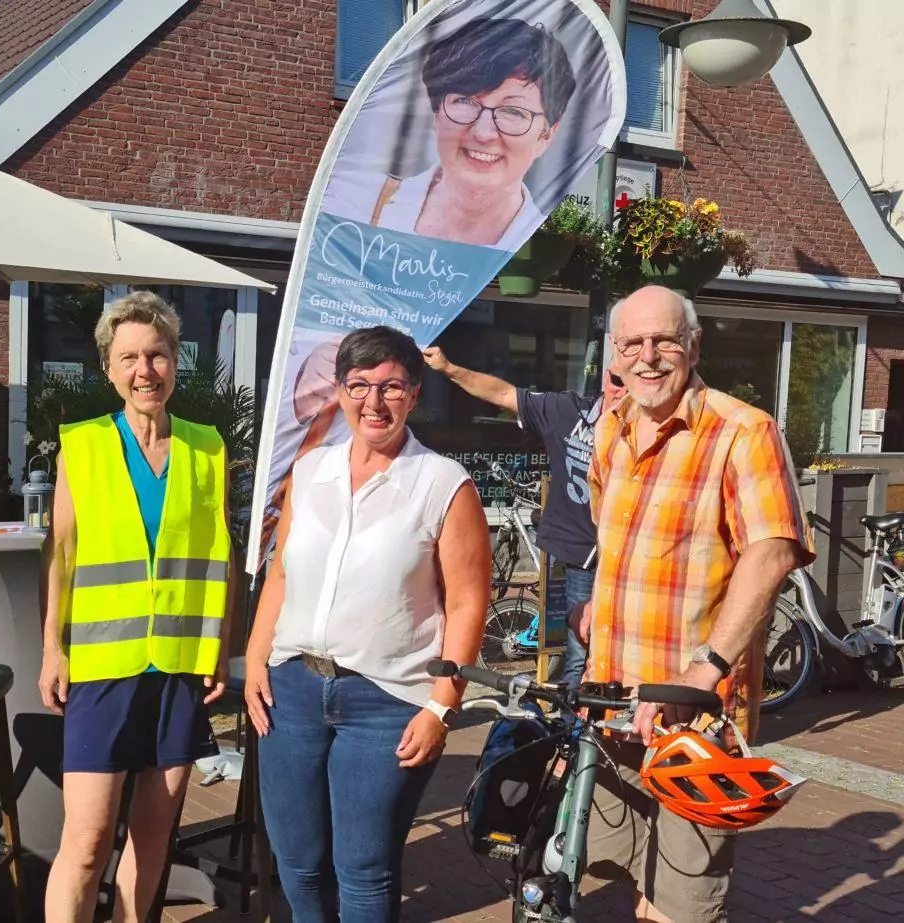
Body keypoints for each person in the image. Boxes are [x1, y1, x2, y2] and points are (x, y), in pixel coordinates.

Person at [573, 285, 812, 923]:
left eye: (664, 341)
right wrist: (599, 603)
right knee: (630, 872)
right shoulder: (613, 428)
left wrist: (701, 671)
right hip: (616, 701)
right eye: (632, 344)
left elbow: (773, 553)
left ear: (694, 346)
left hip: (693, 718)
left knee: (683, 898)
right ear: (614, 356)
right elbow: (616, 537)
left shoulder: (743, 431)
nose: (648, 357)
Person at [244, 325, 491, 922]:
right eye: (359, 385)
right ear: (340, 390)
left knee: (363, 868)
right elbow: (280, 574)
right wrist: (255, 657)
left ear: (413, 394)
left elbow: (467, 603)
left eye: (391, 387)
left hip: (386, 702)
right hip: (292, 690)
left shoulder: (442, 484)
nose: (373, 402)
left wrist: (441, 707)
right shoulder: (310, 471)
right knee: (297, 861)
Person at [38, 291, 234, 923]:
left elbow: (222, 555)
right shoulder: (84, 446)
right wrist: (52, 649)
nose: (144, 370)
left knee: (153, 837)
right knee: (87, 840)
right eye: (129, 358)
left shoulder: (208, 447)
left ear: (177, 362)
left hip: (179, 665)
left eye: (157, 355)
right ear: (108, 369)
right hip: (101, 665)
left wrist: (219, 651)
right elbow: (60, 555)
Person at [422, 345, 625, 688]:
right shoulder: (568, 412)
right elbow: (501, 393)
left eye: (634, 381)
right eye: (618, 380)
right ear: (605, 378)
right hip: (583, 558)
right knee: (579, 651)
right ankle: (573, 734)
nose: (626, 390)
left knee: (626, 651)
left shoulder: (656, 431)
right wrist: (447, 368)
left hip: (634, 561)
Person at [323, 18, 576, 250]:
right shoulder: (358, 205)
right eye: (465, 101)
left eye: (513, 111)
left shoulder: (548, 244)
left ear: (546, 136)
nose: (484, 132)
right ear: (437, 112)